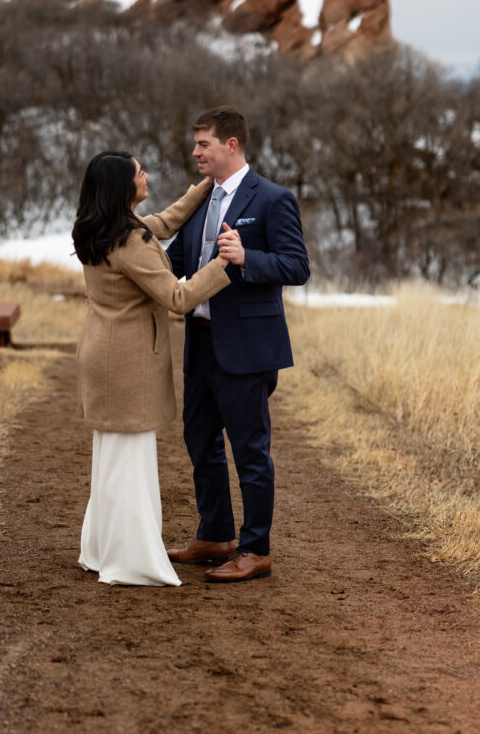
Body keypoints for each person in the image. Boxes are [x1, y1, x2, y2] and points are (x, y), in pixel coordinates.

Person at [72, 151, 231, 587]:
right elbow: (178, 300)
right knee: (130, 461)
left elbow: (161, 222)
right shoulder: (130, 242)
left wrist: (199, 191)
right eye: (140, 173)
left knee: (111, 458)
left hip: (102, 354)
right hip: (127, 363)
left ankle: (102, 550)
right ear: (124, 187)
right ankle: (132, 560)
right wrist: (223, 263)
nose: (147, 176)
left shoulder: (97, 226)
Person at [166, 107, 310, 582]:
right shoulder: (200, 200)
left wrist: (249, 257)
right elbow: (174, 261)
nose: (195, 153)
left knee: (249, 449)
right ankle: (215, 535)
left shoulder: (272, 199)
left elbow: (296, 266)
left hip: (247, 347)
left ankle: (256, 549)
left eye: (203, 144)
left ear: (231, 145)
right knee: (198, 439)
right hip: (201, 342)